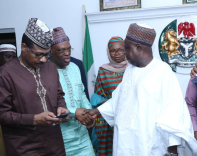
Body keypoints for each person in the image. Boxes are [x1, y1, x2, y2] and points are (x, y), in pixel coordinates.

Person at [82, 23, 197, 156]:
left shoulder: (162, 72)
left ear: (138, 47)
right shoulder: (130, 71)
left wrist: (172, 151)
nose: (124, 54)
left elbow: (175, 115)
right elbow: (119, 100)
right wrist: (96, 111)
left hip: (149, 146)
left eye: (126, 48)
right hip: (124, 145)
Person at [0, 18, 70, 156]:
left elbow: (58, 95)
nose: (44, 59)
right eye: (39, 54)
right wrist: (34, 119)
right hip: (24, 148)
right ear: (23, 47)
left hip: (55, 145)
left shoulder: (51, 67)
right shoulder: (4, 74)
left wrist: (61, 107)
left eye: (47, 54)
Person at [50, 27, 95, 156]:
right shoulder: (45, 72)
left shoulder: (75, 67)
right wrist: (75, 112)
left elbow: (81, 93)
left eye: (69, 48)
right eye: (61, 50)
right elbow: (49, 103)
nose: (67, 53)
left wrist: (88, 113)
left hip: (82, 136)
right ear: (50, 52)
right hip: (61, 139)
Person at [91, 36, 128, 156]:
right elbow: (97, 97)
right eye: (113, 51)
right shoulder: (103, 70)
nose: (116, 53)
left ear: (125, 50)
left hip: (129, 117)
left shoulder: (133, 69)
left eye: (120, 50)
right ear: (108, 52)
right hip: (108, 120)